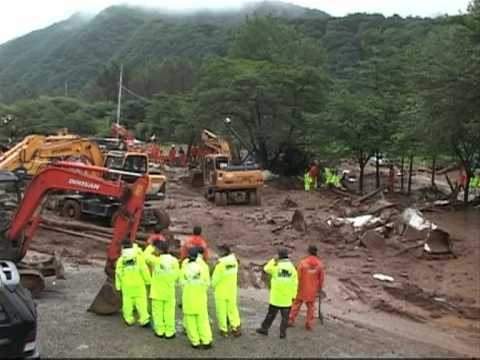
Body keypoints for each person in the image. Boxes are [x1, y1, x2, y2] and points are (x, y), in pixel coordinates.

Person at [256, 248, 298, 339]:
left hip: (276, 297)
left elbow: (266, 269)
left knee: (271, 315)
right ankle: (282, 334)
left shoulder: (276, 266)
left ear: (279, 256)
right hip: (287, 297)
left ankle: (264, 329)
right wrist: (294, 295)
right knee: (285, 317)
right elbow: (295, 283)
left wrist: (273, 260)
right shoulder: (292, 268)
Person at [145, 240, 180, 339]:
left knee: (157, 312)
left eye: (156, 249)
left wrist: (151, 246)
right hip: (169, 291)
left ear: (159, 250)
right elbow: (177, 276)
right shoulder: (174, 261)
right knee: (169, 312)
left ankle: (159, 331)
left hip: (157, 291)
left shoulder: (155, 260)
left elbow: (145, 256)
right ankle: (169, 332)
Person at [181, 247, 213, 349]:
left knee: (190, 321)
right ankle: (206, 341)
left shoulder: (184, 266)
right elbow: (207, 283)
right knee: (203, 320)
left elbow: (182, 282)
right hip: (200, 297)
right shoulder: (204, 267)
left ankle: (195, 341)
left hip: (188, 297)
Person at [115, 237, 151, 327]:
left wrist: (118, 286)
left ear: (122, 247)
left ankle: (128, 319)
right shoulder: (138, 256)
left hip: (126, 284)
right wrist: (148, 281)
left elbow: (118, 273)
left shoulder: (121, 260)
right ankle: (144, 319)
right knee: (141, 302)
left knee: (127, 303)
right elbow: (144, 269)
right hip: (139, 283)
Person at [288, 245, 325, 331]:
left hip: (302, 287)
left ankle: (290, 320)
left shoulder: (303, 262)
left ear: (308, 252)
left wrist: (295, 286)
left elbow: (298, 276)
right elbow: (321, 278)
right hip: (312, 289)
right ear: (316, 252)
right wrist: (319, 288)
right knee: (311, 307)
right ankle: (309, 324)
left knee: (296, 304)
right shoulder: (320, 264)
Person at [212, 244, 241, 337]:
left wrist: (212, 285)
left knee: (221, 310)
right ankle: (235, 327)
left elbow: (215, 279)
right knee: (232, 309)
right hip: (231, 289)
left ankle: (223, 329)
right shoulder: (234, 261)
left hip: (221, 291)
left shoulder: (220, 264)